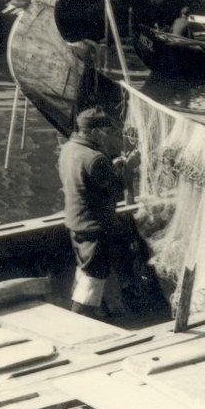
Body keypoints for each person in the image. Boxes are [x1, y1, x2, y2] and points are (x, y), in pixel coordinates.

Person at [58, 108, 134, 317]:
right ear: (93, 132)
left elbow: (87, 181)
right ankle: (80, 320)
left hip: (75, 221)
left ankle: (82, 312)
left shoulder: (68, 148)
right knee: (94, 278)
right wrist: (128, 170)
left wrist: (111, 168)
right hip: (95, 227)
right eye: (104, 131)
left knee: (84, 272)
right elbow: (115, 192)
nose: (107, 136)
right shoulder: (96, 158)